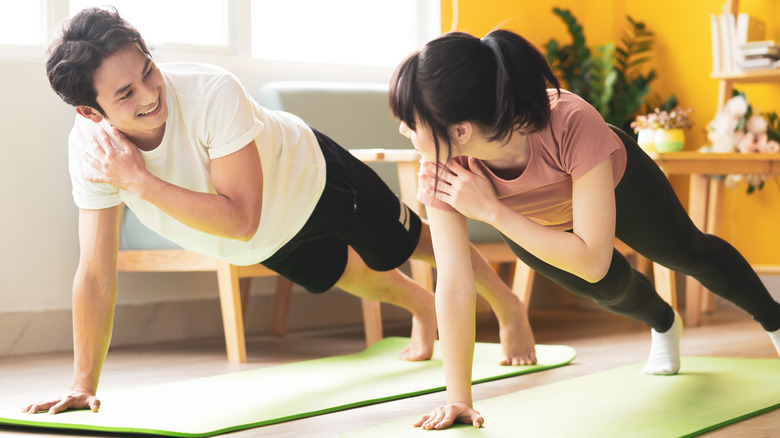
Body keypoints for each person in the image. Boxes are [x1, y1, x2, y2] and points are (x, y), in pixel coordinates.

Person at [23, 9, 537, 415]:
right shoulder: (90, 151)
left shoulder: (209, 92)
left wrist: (140, 181)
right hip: (267, 238)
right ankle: (422, 308)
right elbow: (95, 272)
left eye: (148, 70)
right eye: (126, 93)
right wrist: (82, 384)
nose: (152, 93)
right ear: (90, 112)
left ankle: (507, 306)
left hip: (313, 178)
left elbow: (241, 215)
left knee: (414, 244)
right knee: (354, 277)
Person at [389, 29, 780, 430]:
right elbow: (454, 283)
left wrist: (492, 210)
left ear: (460, 130)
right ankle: (665, 323)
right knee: (606, 288)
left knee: (687, 254)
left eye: (410, 121)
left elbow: (592, 257)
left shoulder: (570, 120)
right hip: (536, 224)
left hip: (618, 185)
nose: (403, 130)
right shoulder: (440, 165)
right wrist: (458, 399)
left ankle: (775, 319)